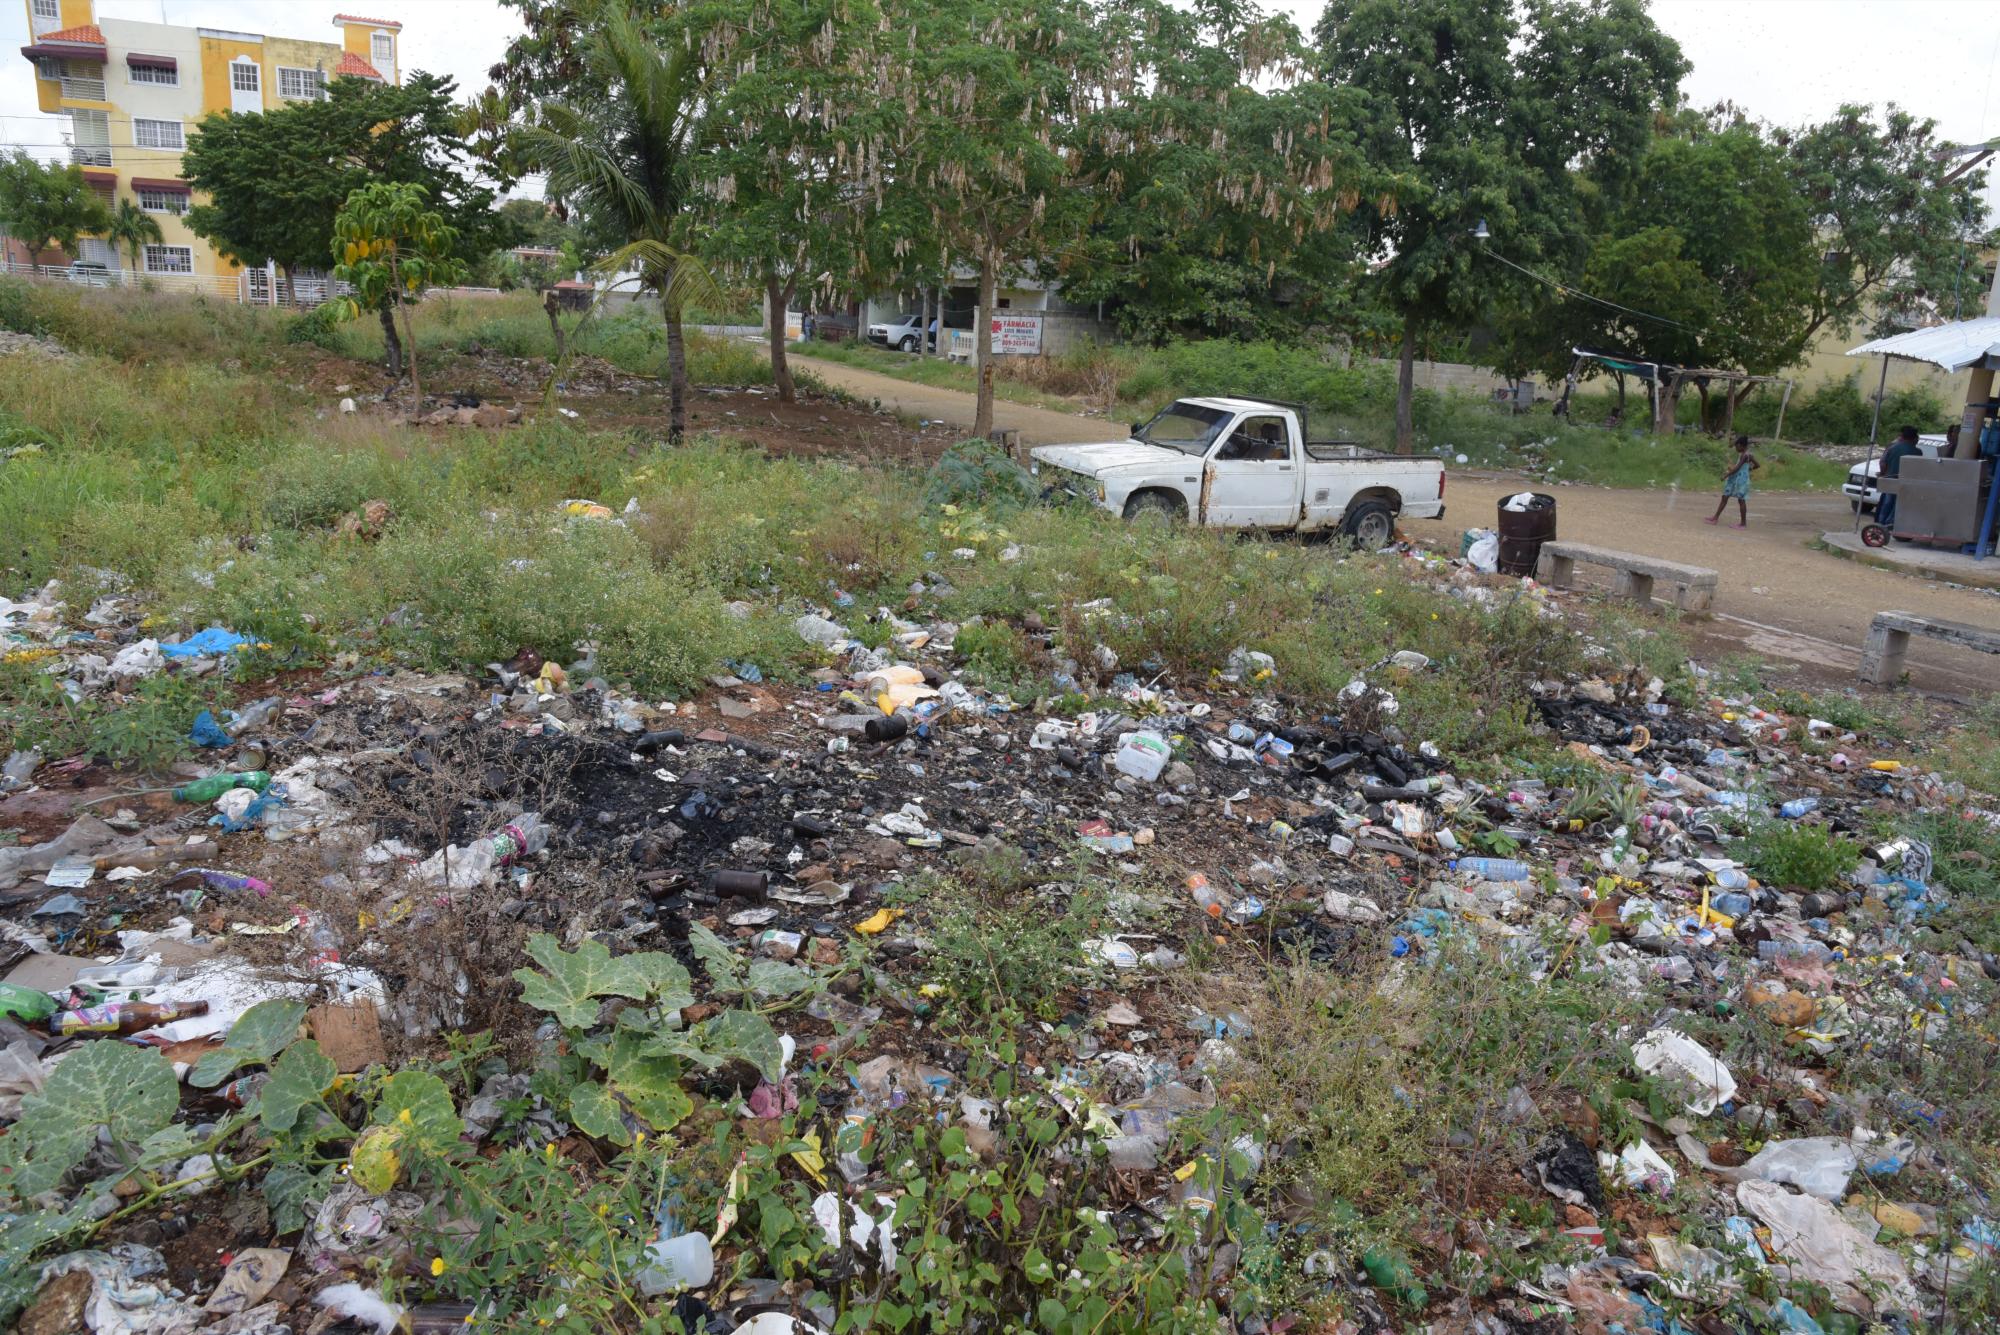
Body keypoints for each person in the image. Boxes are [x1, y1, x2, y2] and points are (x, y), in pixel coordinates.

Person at [1706, 434, 1761, 527]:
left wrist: (1726, 475)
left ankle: (1743, 524)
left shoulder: (1745, 455)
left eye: (1737, 446)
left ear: (1741, 445)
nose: (1736, 448)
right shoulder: (1747, 455)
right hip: (1736, 478)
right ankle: (1715, 517)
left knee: (1741, 500)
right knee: (1725, 496)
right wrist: (1747, 470)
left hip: (1740, 480)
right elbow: (1757, 465)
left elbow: (1737, 468)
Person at [1876, 425, 1922, 531]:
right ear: (1914, 438)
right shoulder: (1918, 452)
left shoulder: (1892, 448)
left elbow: (1882, 463)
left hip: (1891, 479)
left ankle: (1880, 524)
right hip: (1907, 483)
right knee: (1898, 505)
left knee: (1887, 503)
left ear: (1902, 436)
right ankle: (1890, 524)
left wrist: (1883, 473)